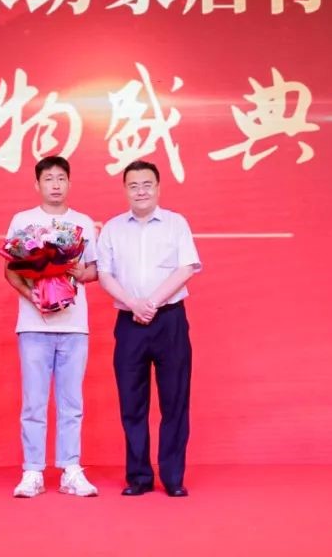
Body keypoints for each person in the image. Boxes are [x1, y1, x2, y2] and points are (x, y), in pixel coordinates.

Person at [96, 159, 202, 498]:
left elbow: (186, 267)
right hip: (130, 324)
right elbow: (104, 274)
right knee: (132, 403)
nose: (140, 191)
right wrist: (133, 303)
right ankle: (139, 477)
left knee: (175, 401)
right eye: (133, 185)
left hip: (169, 320)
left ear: (158, 187)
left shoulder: (176, 223)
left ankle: (173, 477)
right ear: (125, 190)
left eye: (147, 185)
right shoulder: (113, 228)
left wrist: (152, 302)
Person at [4, 156, 100, 498]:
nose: (55, 185)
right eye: (49, 179)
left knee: (71, 402)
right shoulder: (23, 221)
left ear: (69, 183)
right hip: (34, 325)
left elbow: (95, 270)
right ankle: (33, 471)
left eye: (61, 178)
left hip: (74, 326)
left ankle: (70, 469)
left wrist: (79, 273)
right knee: (34, 402)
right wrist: (33, 296)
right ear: (37, 184)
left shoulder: (83, 223)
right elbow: (11, 270)